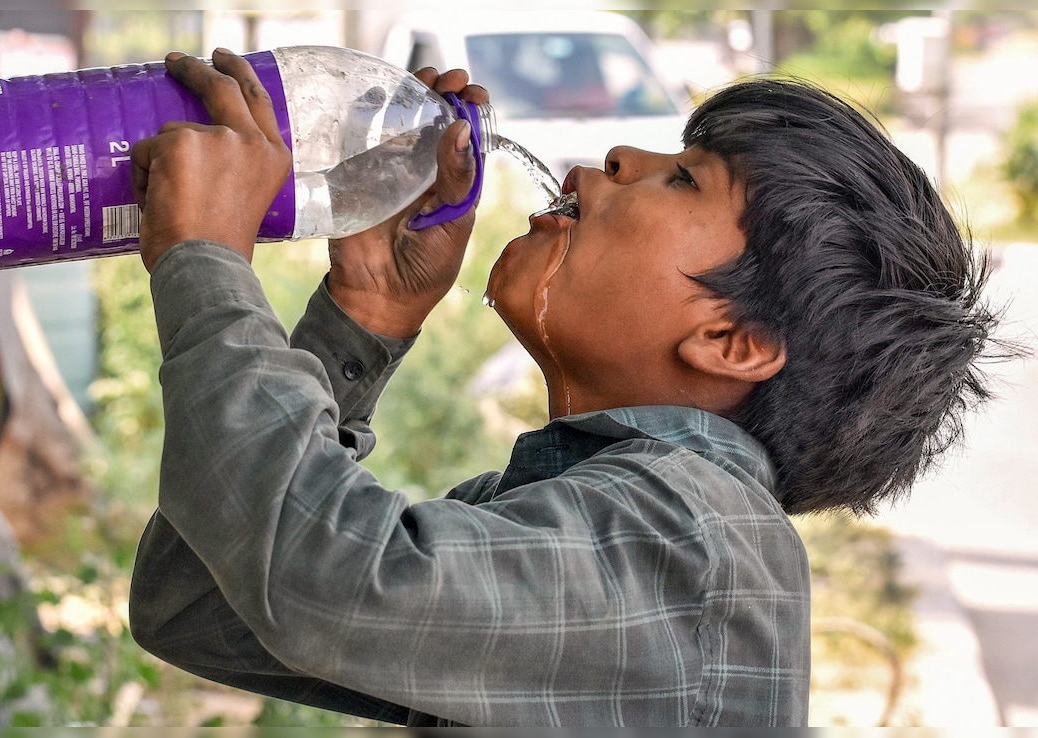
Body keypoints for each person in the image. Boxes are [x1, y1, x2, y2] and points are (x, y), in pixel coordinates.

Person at [127, 48, 1003, 726]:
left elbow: (317, 574)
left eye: (685, 177)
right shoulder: (600, 515)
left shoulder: (696, 542)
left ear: (731, 341)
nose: (620, 154)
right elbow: (199, 605)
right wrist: (368, 311)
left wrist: (205, 262)